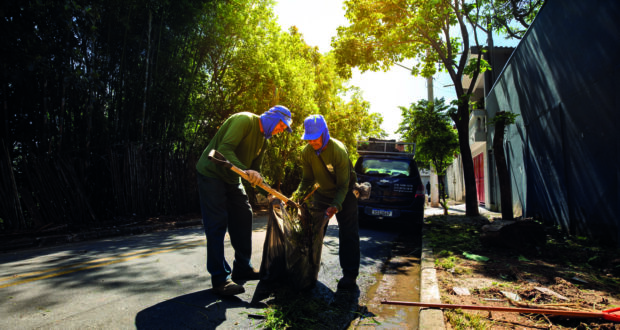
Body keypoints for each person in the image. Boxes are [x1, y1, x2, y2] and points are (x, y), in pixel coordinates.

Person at [195, 105, 293, 296]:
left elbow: (254, 170)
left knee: (244, 215)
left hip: (232, 178)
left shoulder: (263, 141)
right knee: (217, 224)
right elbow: (224, 150)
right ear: (273, 118)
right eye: (281, 126)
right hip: (211, 173)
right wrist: (247, 172)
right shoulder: (245, 120)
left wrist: (267, 193)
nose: (281, 131)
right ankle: (220, 279)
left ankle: (243, 267)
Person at [292, 114, 360, 291]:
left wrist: (336, 205)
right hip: (322, 194)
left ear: (325, 133)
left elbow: (343, 185)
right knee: (313, 231)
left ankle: (350, 275)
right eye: (309, 139)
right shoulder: (306, 152)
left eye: (315, 138)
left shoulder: (337, 150)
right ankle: (308, 270)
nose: (312, 142)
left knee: (348, 233)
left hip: (345, 193)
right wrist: (296, 196)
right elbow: (307, 180)